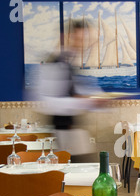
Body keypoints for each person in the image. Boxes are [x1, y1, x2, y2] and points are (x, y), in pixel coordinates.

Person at [34, 20, 109, 162]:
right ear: (66, 37)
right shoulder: (54, 63)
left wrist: (94, 101)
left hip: (73, 131)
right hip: (64, 133)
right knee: (76, 177)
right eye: (78, 39)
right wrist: (83, 102)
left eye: (84, 39)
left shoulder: (68, 62)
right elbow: (47, 103)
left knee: (83, 175)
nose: (82, 44)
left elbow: (75, 92)